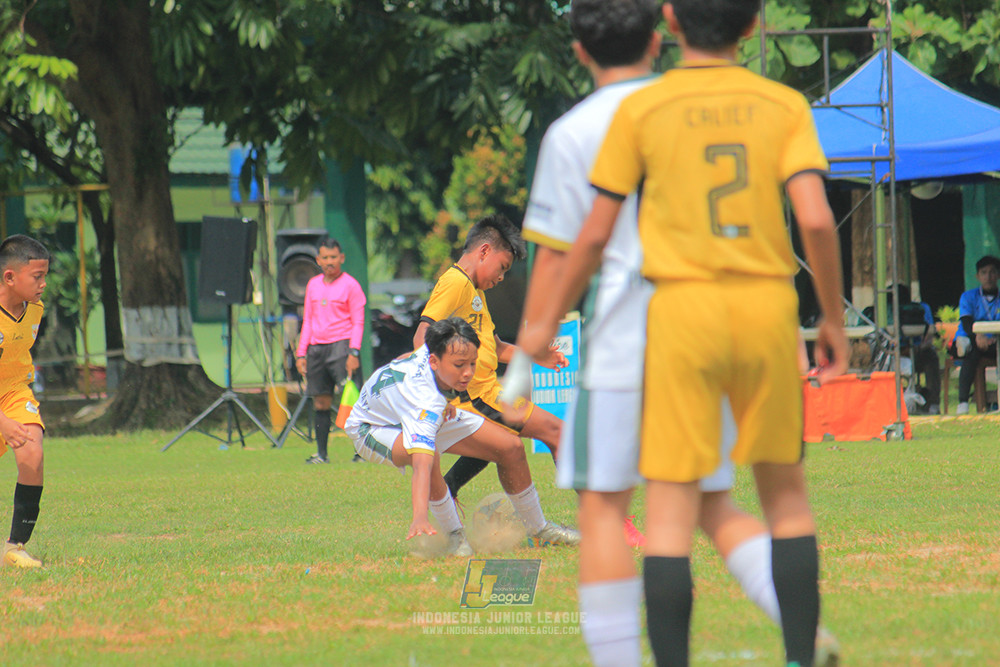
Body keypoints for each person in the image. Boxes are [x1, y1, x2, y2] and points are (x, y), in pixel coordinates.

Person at [517, 1, 850, 665]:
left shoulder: (635, 112)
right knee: (766, 498)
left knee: (645, 510)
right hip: (761, 305)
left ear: (670, 24)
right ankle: (800, 646)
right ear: (754, 25)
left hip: (669, 317)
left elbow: (583, 240)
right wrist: (831, 317)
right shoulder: (781, 102)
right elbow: (813, 216)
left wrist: (534, 339)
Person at [345, 317, 579, 552]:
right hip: (373, 427)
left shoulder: (433, 350)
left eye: (473, 364)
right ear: (435, 362)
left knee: (511, 447)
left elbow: (404, 359)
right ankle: (455, 538)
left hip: (421, 409)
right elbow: (422, 464)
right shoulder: (425, 402)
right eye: (459, 365)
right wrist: (419, 517)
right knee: (430, 454)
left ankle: (539, 531)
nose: (468, 373)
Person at [413, 215, 567, 499]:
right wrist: (435, 393)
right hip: (475, 396)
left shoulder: (475, 292)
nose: (501, 277)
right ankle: (604, 522)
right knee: (558, 432)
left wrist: (538, 357)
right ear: (484, 251)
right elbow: (422, 336)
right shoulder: (454, 282)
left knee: (503, 443)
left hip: (488, 393)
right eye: (503, 267)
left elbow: (494, 348)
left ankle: (448, 490)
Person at [0, 235, 50, 569]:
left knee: (32, 452)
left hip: (15, 391)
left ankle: (15, 548)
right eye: (37, 277)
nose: (44, 284)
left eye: (45, 276)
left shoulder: (35, 310)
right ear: (9, 277)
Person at [295, 237, 366, 463]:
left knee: (353, 401)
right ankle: (322, 454)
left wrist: (354, 352)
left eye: (333, 257)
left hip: (342, 346)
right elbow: (307, 320)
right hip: (317, 349)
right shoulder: (313, 285)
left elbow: (358, 322)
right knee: (321, 401)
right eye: (325, 258)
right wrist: (301, 352)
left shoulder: (351, 285)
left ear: (341, 258)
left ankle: (361, 452)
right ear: (318, 259)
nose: (329, 262)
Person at [953, 255, 1000, 415]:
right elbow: (966, 322)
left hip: (995, 342)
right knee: (970, 353)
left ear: (998, 275)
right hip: (973, 340)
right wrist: (977, 337)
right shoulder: (968, 297)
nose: (988, 277)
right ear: (977, 276)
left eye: (992, 272)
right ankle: (963, 402)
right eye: (984, 272)